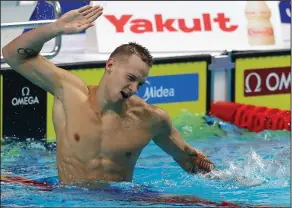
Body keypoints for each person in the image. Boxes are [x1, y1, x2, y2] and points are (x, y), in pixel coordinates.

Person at [2, 4, 215, 187]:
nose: (133, 87)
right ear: (110, 65)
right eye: (130, 77)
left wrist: (224, 177)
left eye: (139, 83)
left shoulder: (151, 119)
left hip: (120, 200)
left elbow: (188, 158)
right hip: (68, 198)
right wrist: (55, 28)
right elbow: (12, 54)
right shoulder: (69, 92)